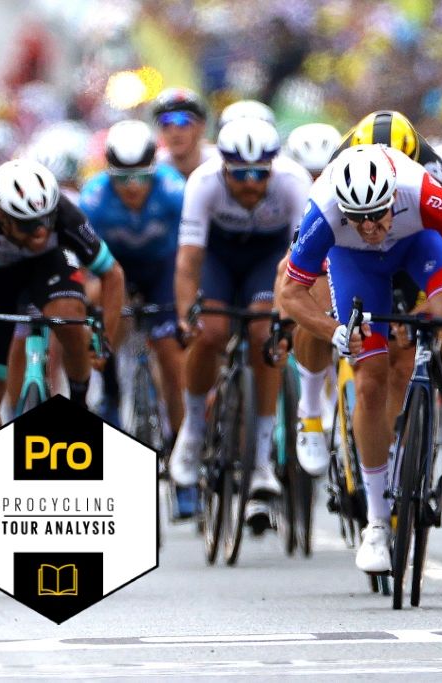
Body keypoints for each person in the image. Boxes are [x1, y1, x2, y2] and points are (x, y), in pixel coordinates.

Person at [278, 144, 442, 573]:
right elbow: (288, 293)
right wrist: (336, 332)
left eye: (377, 215)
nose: (369, 227)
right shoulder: (324, 210)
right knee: (369, 381)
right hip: (355, 266)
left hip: (419, 245)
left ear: (392, 198)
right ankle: (377, 523)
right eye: (357, 218)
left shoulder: (420, 189)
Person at [280, 110, 442, 477]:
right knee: (316, 306)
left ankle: (383, 447)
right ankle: (310, 411)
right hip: (347, 245)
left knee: (402, 355)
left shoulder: (430, 170)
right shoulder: (339, 167)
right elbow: (298, 262)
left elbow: (440, 244)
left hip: (403, 245)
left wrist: (420, 306)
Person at [170, 117, 312, 522]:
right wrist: (184, 317)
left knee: (266, 336)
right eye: (240, 174)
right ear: (223, 168)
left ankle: (262, 460)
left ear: (273, 165)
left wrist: (287, 318)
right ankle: (194, 429)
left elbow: (301, 264)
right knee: (209, 331)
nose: (250, 183)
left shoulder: (293, 182)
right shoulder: (202, 183)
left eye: (259, 173)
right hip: (220, 255)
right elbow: (188, 260)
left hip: (271, 258)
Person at [0, 159, 124, 441]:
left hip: (48, 266)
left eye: (45, 221)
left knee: (69, 319)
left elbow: (112, 274)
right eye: (28, 225)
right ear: (0, 215)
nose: (40, 232)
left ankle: (79, 399)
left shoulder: (64, 212)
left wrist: (106, 338)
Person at [80, 120, 187, 447]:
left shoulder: (173, 190)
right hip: (116, 269)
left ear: (154, 170)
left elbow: (193, 251)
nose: (132, 187)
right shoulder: (94, 198)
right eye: (122, 178)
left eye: (141, 176)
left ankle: (181, 443)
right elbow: (86, 267)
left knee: (171, 354)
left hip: (162, 269)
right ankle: (110, 390)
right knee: (102, 310)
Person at [151, 87, 213, 179]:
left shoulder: (218, 164)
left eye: (183, 122)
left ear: (201, 126)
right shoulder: (153, 168)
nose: (174, 132)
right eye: (165, 123)